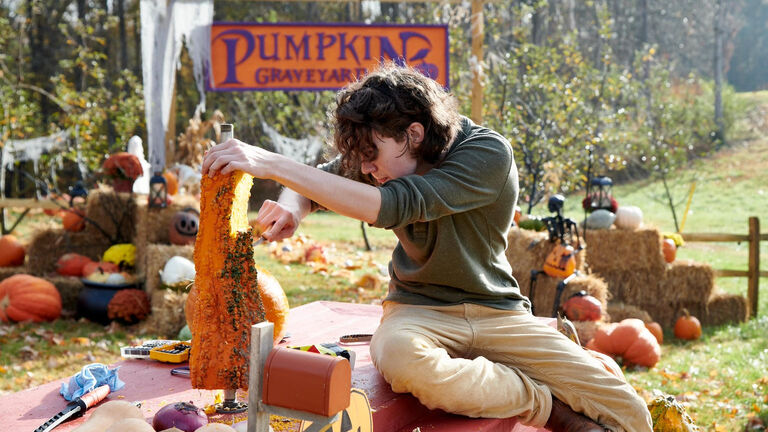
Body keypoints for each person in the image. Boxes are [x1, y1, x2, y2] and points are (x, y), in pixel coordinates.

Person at [202, 63, 652, 432]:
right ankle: (545, 404)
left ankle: (532, 384)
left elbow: (398, 206)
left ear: (414, 134)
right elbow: (323, 176)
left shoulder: (487, 153)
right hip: (416, 311)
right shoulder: (383, 156)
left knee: (633, 416)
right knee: (403, 361)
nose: (367, 169)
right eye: (361, 160)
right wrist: (293, 205)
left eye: (373, 156)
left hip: (497, 311)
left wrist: (271, 164)